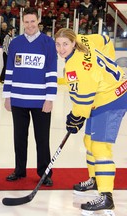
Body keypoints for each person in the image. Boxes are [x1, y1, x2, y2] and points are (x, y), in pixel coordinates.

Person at [54, 28, 125, 215]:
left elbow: (83, 101)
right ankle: (95, 179)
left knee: (101, 147)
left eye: (65, 44)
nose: (61, 49)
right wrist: (104, 70)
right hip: (104, 95)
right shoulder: (83, 39)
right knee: (88, 141)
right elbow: (106, 39)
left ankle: (106, 196)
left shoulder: (74, 67)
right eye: (58, 44)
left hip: (111, 99)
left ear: (72, 42)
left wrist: (75, 118)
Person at [3, 8, 57, 187]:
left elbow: (51, 72)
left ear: (39, 20)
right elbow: (9, 70)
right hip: (18, 99)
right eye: (26, 22)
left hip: (41, 101)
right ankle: (19, 170)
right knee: (19, 137)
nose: (30, 25)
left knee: (42, 138)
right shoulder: (15, 43)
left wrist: (50, 98)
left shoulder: (48, 43)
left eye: (33, 21)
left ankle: (44, 173)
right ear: (22, 22)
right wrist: (7, 96)